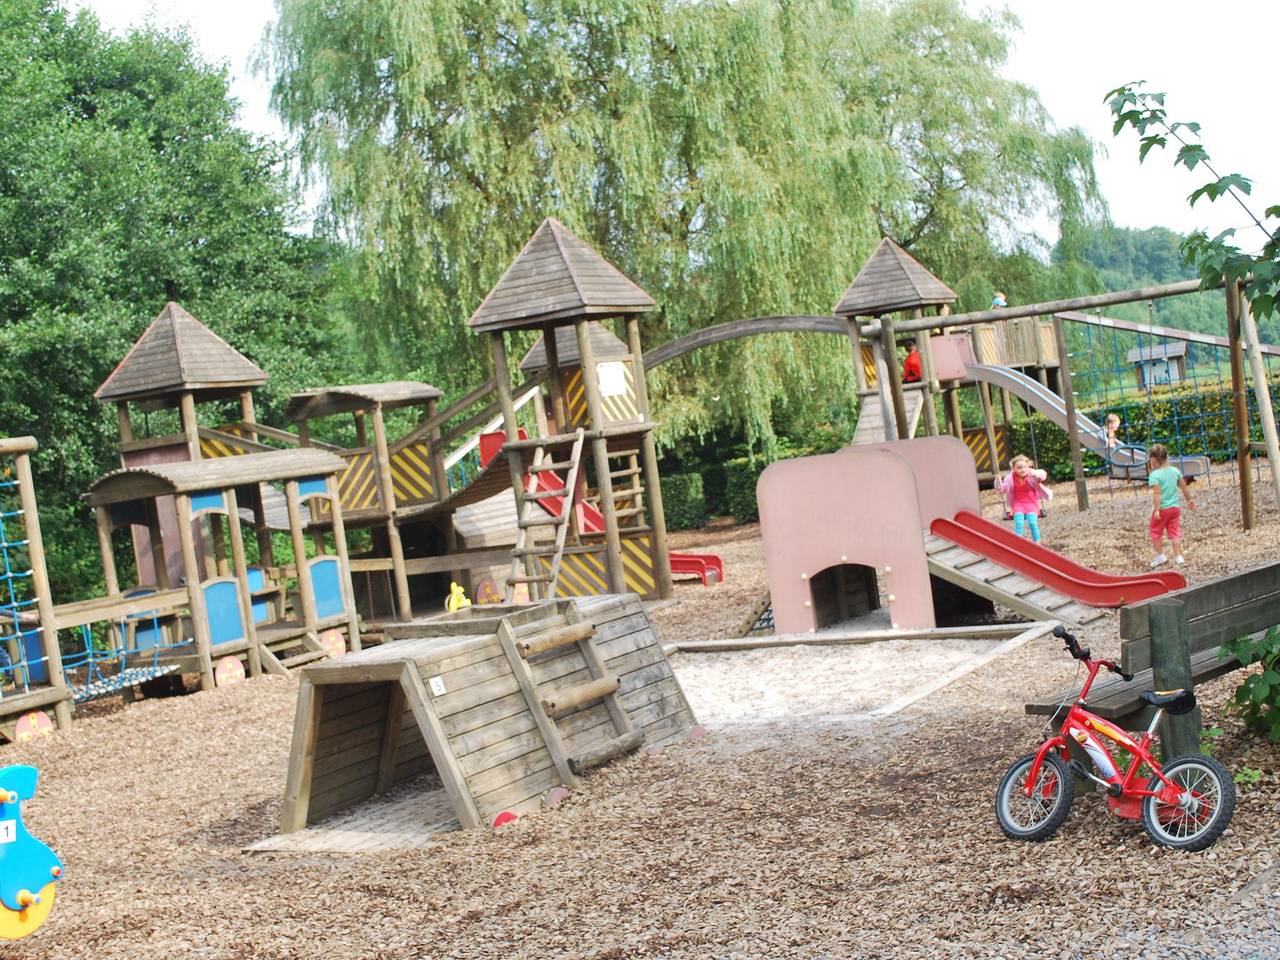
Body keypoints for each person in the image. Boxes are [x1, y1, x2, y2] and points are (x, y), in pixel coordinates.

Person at [1147, 443, 1195, 567]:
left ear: (1154, 460)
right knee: (1174, 532)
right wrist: (1189, 500)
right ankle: (1178, 556)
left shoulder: (1155, 475)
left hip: (1163, 509)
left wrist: (1156, 510)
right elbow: (1183, 486)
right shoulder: (1175, 471)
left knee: (1155, 531)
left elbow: (1157, 493)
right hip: (1175, 508)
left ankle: (1160, 556)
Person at [996, 455, 1052, 543]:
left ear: (1028, 467)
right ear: (1013, 469)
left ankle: (1037, 542)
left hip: (1031, 503)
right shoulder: (1010, 478)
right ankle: (1018, 543)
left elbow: (1043, 475)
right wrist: (998, 481)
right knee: (1019, 523)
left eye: (1025, 467)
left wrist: (1036, 474)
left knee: (1032, 522)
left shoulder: (1032, 474)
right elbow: (1001, 489)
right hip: (1018, 504)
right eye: (1019, 468)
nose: (1023, 470)